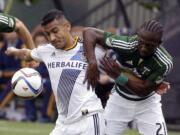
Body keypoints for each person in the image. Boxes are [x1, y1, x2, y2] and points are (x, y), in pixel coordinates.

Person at [6, 9, 105, 135]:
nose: (52, 38)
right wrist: (13, 51)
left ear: (67, 26)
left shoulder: (88, 49)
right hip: (63, 124)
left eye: (55, 31)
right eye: (48, 34)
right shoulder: (46, 51)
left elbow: (115, 61)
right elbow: (27, 54)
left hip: (89, 119)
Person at [83, 20, 173, 135]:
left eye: (149, 45)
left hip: (148, 104)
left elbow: (143, 90)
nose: (144, 48)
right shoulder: (126, 44)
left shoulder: (164, 62)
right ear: (137, 37)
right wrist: (92, 63)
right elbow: (89, 32)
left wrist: (118, 75)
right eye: (141, 42)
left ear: (159, 43)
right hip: (119, 100)